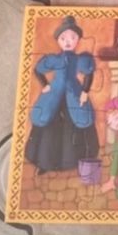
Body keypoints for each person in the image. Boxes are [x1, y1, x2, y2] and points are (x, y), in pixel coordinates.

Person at [25, 15, 99, 174]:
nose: (68, 41)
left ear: (78, 39)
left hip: (74, 95)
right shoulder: (54, 59)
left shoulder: (81, 59)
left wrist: (85, 91)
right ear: (58, 40)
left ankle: (76, 162)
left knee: (76, 124)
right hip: (54, 97)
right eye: (63, 38)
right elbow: (38, 70)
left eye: (72, 37)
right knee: (48, 126)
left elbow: (89, 74)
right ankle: (45, 163)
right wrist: (45, 85)